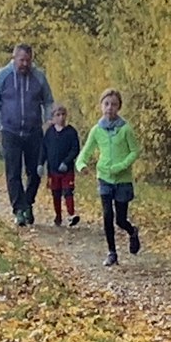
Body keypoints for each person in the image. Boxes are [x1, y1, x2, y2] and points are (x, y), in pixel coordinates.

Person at [0, 44, 54, 226]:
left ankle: (28, 203)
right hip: (10, 130)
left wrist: (49, 120)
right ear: (14, 58)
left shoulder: (39, 77)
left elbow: (48, 100)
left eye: (28, 60)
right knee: (13, 172)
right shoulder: (3, 76)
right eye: (21, 60)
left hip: (34, 130)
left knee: (35, 171)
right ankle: (19, 209)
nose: (25, 64)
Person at [75, 88, 141, 266]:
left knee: (120, 219)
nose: (109, 108)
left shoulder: (125, 129)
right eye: (106, 104)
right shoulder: (97, 130)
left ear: (119, 107)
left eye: (113, 104)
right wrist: (81, 165)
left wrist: (121, 166)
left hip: (123, 180)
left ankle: (132, 231)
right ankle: (112, 253)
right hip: (104, 178)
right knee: (107, 215)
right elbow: (85, 152)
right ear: (101, 106)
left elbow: (135, 151)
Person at [38, 105, 81, 226]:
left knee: (68, 191)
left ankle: (71, 214)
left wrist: (66, 162)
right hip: (53, 170)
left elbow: (75, 149)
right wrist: (40, 163)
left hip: (67, 170)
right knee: (55, 193)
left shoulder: (71, 132)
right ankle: (58, 216)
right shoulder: (49, 133)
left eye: (63, 114)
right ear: (53, 117)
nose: (61, 117)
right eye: (58, 115)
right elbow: (44, 149)